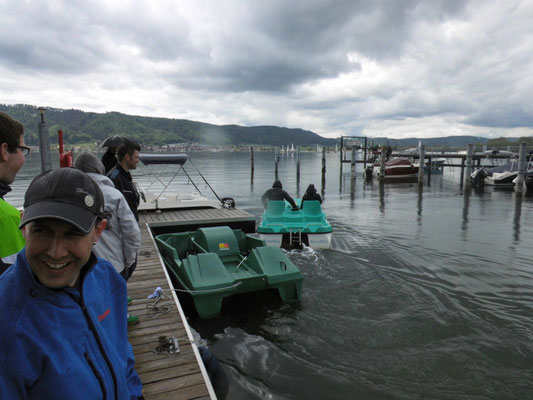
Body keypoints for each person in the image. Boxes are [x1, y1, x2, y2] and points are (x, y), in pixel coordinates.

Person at [0, 167, 143, 398]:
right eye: (42, 231)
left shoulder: (107, 279)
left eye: (72, 233)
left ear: (98, 231)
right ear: (24, 227)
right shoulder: (7, 323)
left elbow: (120, 349)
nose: (56, 253)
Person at [74, 152, 141, 324]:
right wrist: (129, 260)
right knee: (114, 292)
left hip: (80, 262)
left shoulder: (69, 194)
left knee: (88, 295)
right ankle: (120, 320)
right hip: (113, 260)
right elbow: (131, 232)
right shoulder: (113, 195)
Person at [0, 112, 27, 275]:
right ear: (4, 150)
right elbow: (23, 283)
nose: (23, 159)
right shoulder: (6, 218)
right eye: (22, 150)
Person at [107, 142, 141, 221]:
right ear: (127, 157)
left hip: (131, 224)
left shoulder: (126, 175)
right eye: (136, 157)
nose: (138, 160)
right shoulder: (113, 178)